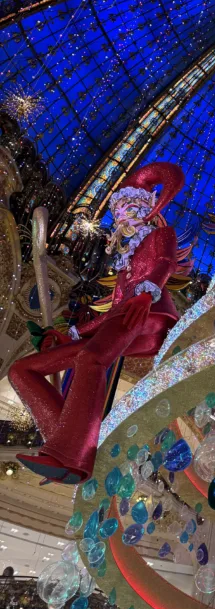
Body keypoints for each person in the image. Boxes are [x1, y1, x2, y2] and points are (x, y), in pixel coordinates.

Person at [9, 162, 184, 485]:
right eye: (118, 213)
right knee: (22, 370)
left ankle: (72, 454)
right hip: (123, 319)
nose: (123, 217)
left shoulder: (160, 235)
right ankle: (64, 448)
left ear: (146, 209)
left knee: (91, 359)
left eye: (130, 208)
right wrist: (75, 332)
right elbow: (114, 310)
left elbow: (165, 262)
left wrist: (147, 294)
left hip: (148, 317)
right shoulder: (124, 266)